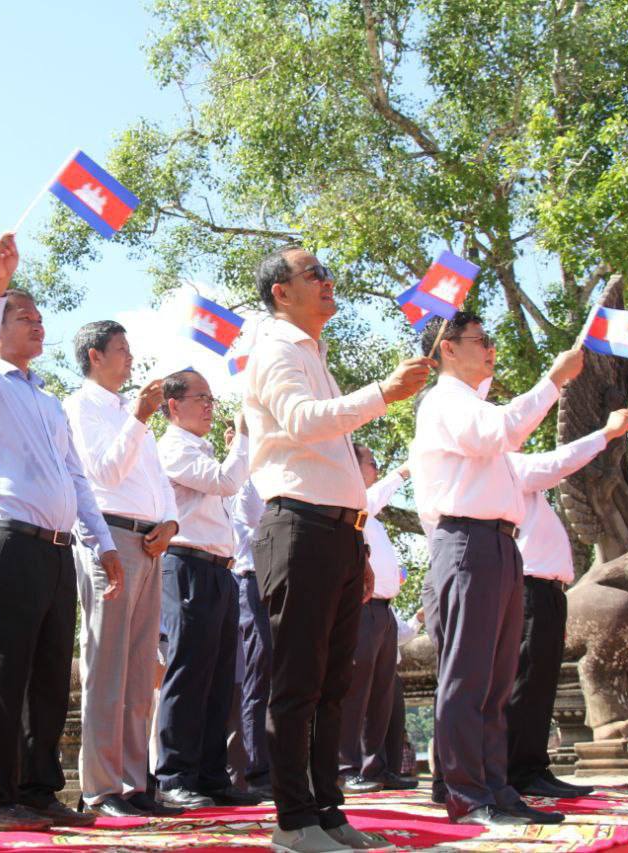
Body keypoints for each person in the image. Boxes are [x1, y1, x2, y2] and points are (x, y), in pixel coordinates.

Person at [244, 245, 432, 853]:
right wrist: (382, 393)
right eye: (314, 274)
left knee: (332, 687)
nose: (327, 281)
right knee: (298, 683)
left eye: (326, 271)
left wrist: (359, 543)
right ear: (281, 292)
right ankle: (293, 821)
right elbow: (303, 421)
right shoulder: (275, 348)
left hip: (338, 536)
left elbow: (331, 455)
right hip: (299, 529)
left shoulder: (312, 353)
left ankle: (328, 812)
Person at [0, 234, 123, 832]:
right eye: (23, 316)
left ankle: (38, 789)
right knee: (5, 669)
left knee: (50, 674)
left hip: (57, 551)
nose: (37, 325)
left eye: (40, 318)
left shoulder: (49, 404)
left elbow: (77, 478)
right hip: (10, 544)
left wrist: (103, 543)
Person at [408, 311, 583, 828]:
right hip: (467, 542)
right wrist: (554, 380)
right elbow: (500, 431)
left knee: (497, 680)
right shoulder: (444, 400)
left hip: (501, 545)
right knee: (468, 675)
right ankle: (466, 793)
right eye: (480, 340)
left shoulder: (472, 403)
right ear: (446, 348)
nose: (491, 349)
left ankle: (496, 787)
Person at [64, 322, 182, 818]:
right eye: (121, 350)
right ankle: (101, 788)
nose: (131, 358)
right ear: (95, 356)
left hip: (152, 543)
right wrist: (139, 417)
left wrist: (171, 523)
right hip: (109, 539)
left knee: (139, 672)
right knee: (107, 666)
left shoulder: (131, 412)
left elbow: (159, 482)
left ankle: (136, 784)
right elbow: (103, 472)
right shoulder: (80, 406)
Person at [505, 409, 628, 798]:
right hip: (530, 587)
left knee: (540, 681)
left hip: (547, 590)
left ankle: (532, 765)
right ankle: (518, 770)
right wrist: (605, 433)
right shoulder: (506, 465)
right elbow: (557, 464)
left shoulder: (517, 472)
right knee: (527, 680)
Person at [154, 370, 260, 810]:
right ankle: (174, 775)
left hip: (220, 570)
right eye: (201, 397)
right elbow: (227, 482)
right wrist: (245, 436)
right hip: (186, 564)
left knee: (218, 678)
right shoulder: (174, 447)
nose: (209, 406)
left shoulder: (204, 450)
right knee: (188, 671)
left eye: (212, 398)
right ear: (173, 405)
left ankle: (212, 776)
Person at [337, 449, 415, 794]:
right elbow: (373, 497)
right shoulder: (353, 502)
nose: (378, 468)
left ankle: (376, 766)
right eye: (372, 462)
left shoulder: (375, 520)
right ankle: (346, 766)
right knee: (356, 690)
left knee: (381, 693)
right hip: (362, 608)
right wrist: (403, 472)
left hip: (384, 611)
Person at [229, 478, 272, 799]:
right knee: (257, 680)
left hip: (278, 583)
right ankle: (257, 773)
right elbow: (256, 528)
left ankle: (277, 769)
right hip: (253, 583)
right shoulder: (247, 486)